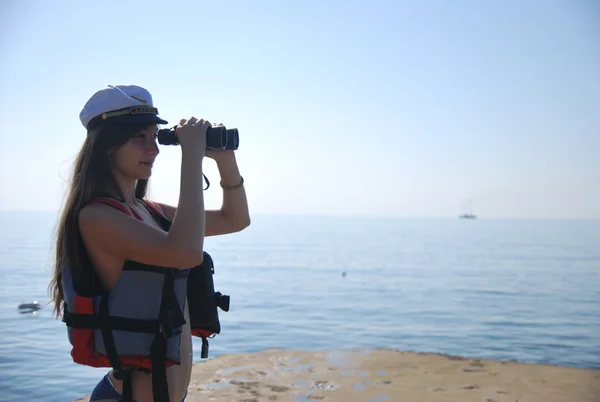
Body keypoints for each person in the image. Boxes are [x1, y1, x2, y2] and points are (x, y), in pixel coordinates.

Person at [48, 84, 250, 402]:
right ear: (107, 147)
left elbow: (234, 219)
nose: (153, 149)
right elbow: (185, 253)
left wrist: (224, 159)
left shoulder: (149, 212)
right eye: (139, 138)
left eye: (155, 137)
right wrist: (192, 157)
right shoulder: (97, 217)